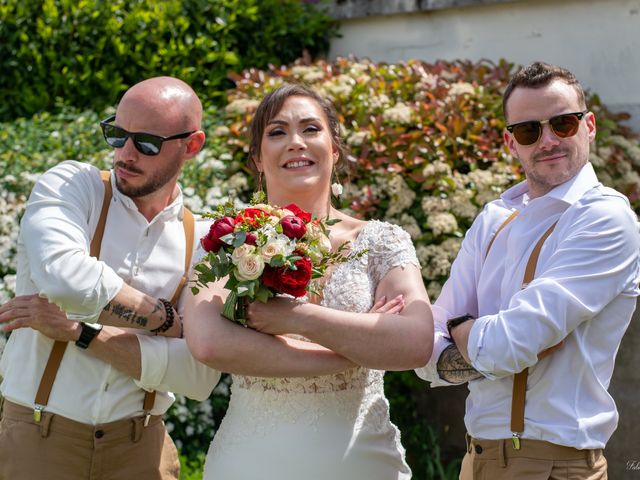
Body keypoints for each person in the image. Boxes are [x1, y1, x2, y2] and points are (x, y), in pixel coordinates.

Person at [183, 83, 434, 480]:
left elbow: (415, 343)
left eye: (311, 129)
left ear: (334, 149)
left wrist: (297, 318)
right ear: (257, 159)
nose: (296, 142)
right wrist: (359, 348)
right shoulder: (226, 241)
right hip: (251, 461)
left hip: (363, 462)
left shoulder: (381, 241)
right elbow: (209, 342)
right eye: (277, 132)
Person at [416, 61, 640, 479]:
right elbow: (426, 352)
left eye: (563, 124)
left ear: (588, 125)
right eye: (529, 130)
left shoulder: (606, 217)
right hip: (476, 460)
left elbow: (503, 345)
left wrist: (462, 329)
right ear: (510, 142)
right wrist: (490, 342)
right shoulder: (494, 218)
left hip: (555, 464)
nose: (548, 140)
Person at [0, 76, 221, 480]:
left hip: (141, 449)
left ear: (191, 145)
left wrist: (79, 331)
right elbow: (66, 281)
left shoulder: (204, 238)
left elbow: (198, 375)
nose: (125, 153)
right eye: (117, 134)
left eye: (147, 142)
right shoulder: (73, 187)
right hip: (39, 437)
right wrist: (168, 322)